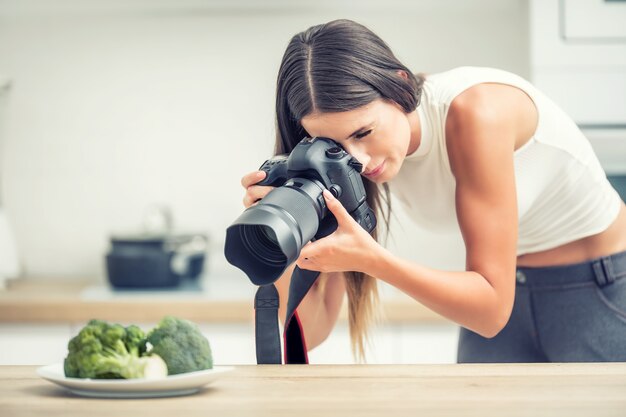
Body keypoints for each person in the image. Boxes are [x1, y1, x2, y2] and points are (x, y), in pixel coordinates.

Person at [240, 19, 626, 363]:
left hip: (598, 286)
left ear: (401, 85)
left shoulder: (476, 113)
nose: (356, 159)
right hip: (503, 292)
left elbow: (491, 310)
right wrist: (283, 232)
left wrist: (373, 260)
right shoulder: (343, 163)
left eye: (363, 132)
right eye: (336, 145)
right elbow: (316, 330)